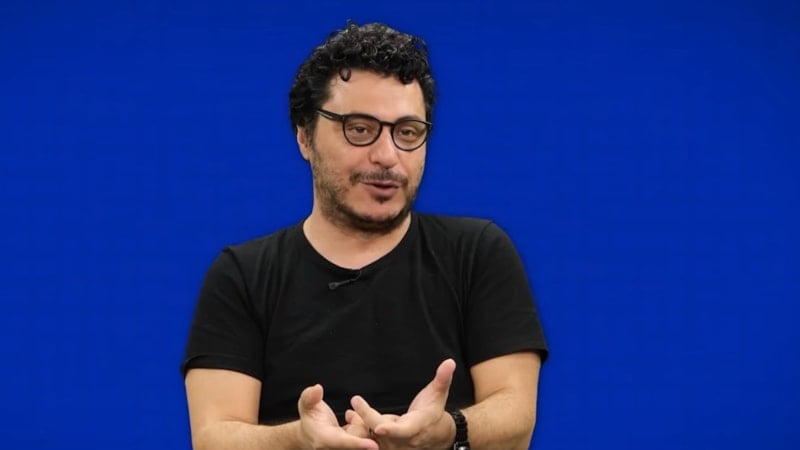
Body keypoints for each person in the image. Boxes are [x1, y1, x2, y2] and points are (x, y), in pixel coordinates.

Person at [181, 22, 548, 450]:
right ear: (304, 136)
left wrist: (446, 430)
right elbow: (214, 436)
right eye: (359, 128)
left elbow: (516, 416)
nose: (387, 156)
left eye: (407, 132)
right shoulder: (242, 275)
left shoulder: (478, 252)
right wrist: (300, 439)